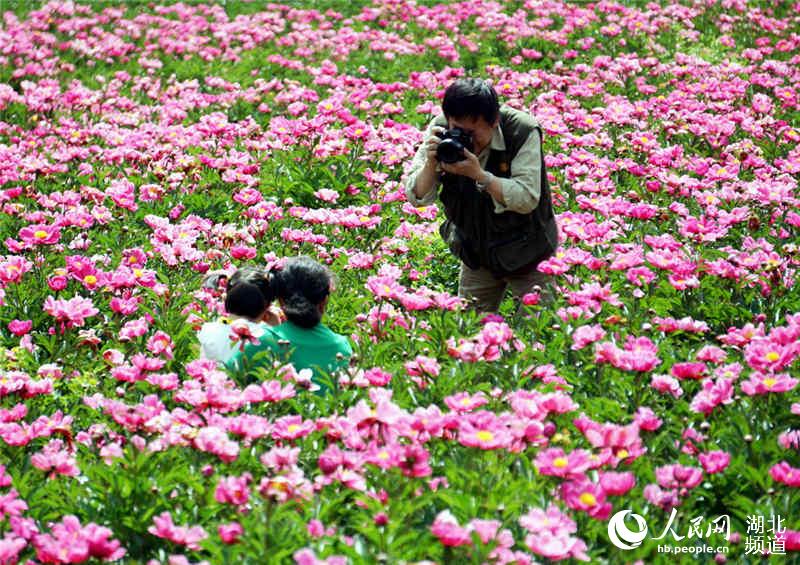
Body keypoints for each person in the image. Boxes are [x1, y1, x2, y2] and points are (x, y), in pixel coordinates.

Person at [404, 77, 559, 314]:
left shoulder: (522, 130)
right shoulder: (442, 128)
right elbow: (416, 195)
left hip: (530, 252)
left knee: (540, 328)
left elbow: (527, 198)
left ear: (494, 120)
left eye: (471, 132)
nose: (464, 139)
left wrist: (480, 175)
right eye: (457, 130)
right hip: (476, 251)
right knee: (468, 331)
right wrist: (431, 163)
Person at [226, 256, 352, 393]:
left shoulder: (261, 343)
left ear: (280, 300)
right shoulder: (342, 346)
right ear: (324, 301)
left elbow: (222, 385)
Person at [197, 267, 283, 364]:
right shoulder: (263, 336)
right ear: (268, 306)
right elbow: (283, 361)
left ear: (226, 298)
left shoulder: (209, 331)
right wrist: (277, 330)